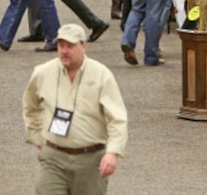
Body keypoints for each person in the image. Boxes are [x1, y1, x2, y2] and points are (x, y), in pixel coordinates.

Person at [22, 23, 128, 195]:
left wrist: (112, 153)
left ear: (83, 46)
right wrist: (37, 138)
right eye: (61, 45)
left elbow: (117, 118)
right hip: (53, 158)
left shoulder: (102, 75)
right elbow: (30, 106)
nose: (64, 51)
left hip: (91, 160)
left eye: (70, 46)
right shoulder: (42, 73)